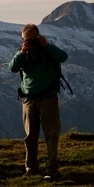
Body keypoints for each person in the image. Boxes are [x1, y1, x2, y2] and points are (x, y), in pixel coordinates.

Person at [8, 24, 68, 179]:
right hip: (28, 99)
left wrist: (46, 45)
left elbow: (63, 57)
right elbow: (12, 67)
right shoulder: (22, 54)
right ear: (22, 39)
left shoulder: (48, 50)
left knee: (51, 134)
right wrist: (22, 52)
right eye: (27, 39)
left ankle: (52, 170)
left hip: (48, 97)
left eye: (33, 39)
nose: (30, 42)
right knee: (30, 136)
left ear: (39, 36)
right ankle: (31, 169)